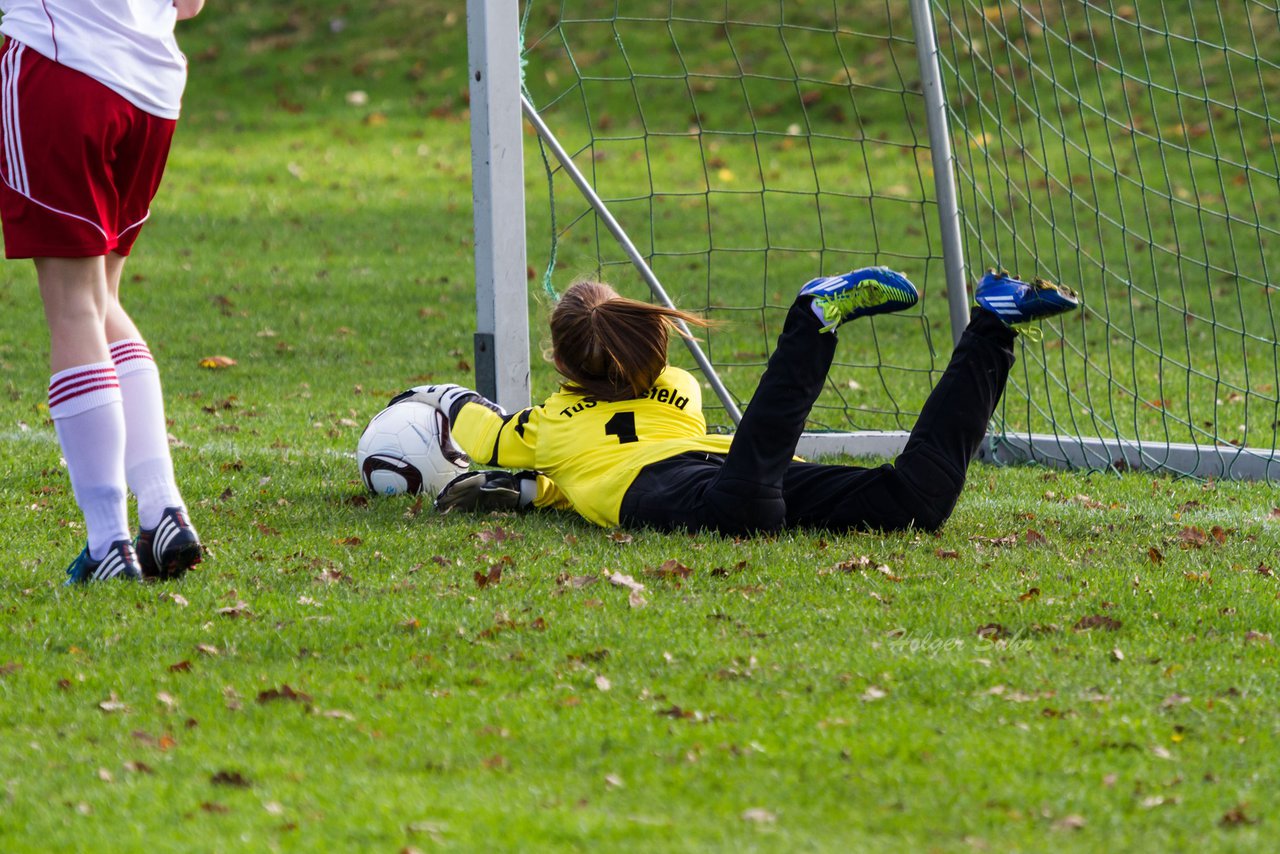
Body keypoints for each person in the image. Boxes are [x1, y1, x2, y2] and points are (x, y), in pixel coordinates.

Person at [399, 268, 1079, 536]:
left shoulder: (544, 426)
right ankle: (994, 326)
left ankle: (814, 316)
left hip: (704, 489)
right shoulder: (678, 390)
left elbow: (481, 433)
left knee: (747, 513)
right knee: (917, 505)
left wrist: (436, 397)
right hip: (725, 465)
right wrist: (531, 494)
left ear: (561, 360)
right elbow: (558, 481)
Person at [0, 0, 207, 583]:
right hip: (151, 88)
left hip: (62, 64)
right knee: (102, 300)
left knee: (73, 308)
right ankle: (162, 508)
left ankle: (107, 542)